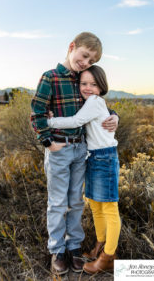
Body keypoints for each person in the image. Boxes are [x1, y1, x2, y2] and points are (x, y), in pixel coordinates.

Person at [30, 32, 119, 275]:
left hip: (82, 150)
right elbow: (37, 112)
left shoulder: (82, 78)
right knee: (58, 202)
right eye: (84, 55)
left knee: (76, 201)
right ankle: (58, 250)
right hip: (59, 148)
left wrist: (115, 117)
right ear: (72, 47)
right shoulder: (50, 77)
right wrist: (47, 142)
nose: (86, 62)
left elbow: (98, 104)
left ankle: (74, 246)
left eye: (91, 61)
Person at [47, 65, 121, 274]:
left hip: (105, 157)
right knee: (96, 205)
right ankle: (100, 244)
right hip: (94, 157)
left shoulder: (95, 102)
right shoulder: (89, 101)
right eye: (84, 83)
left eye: (93, 84)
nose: (88, 88)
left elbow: (76, 121)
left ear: (101, 86)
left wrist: (49, 121)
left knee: (109, 208)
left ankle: (109, 256)